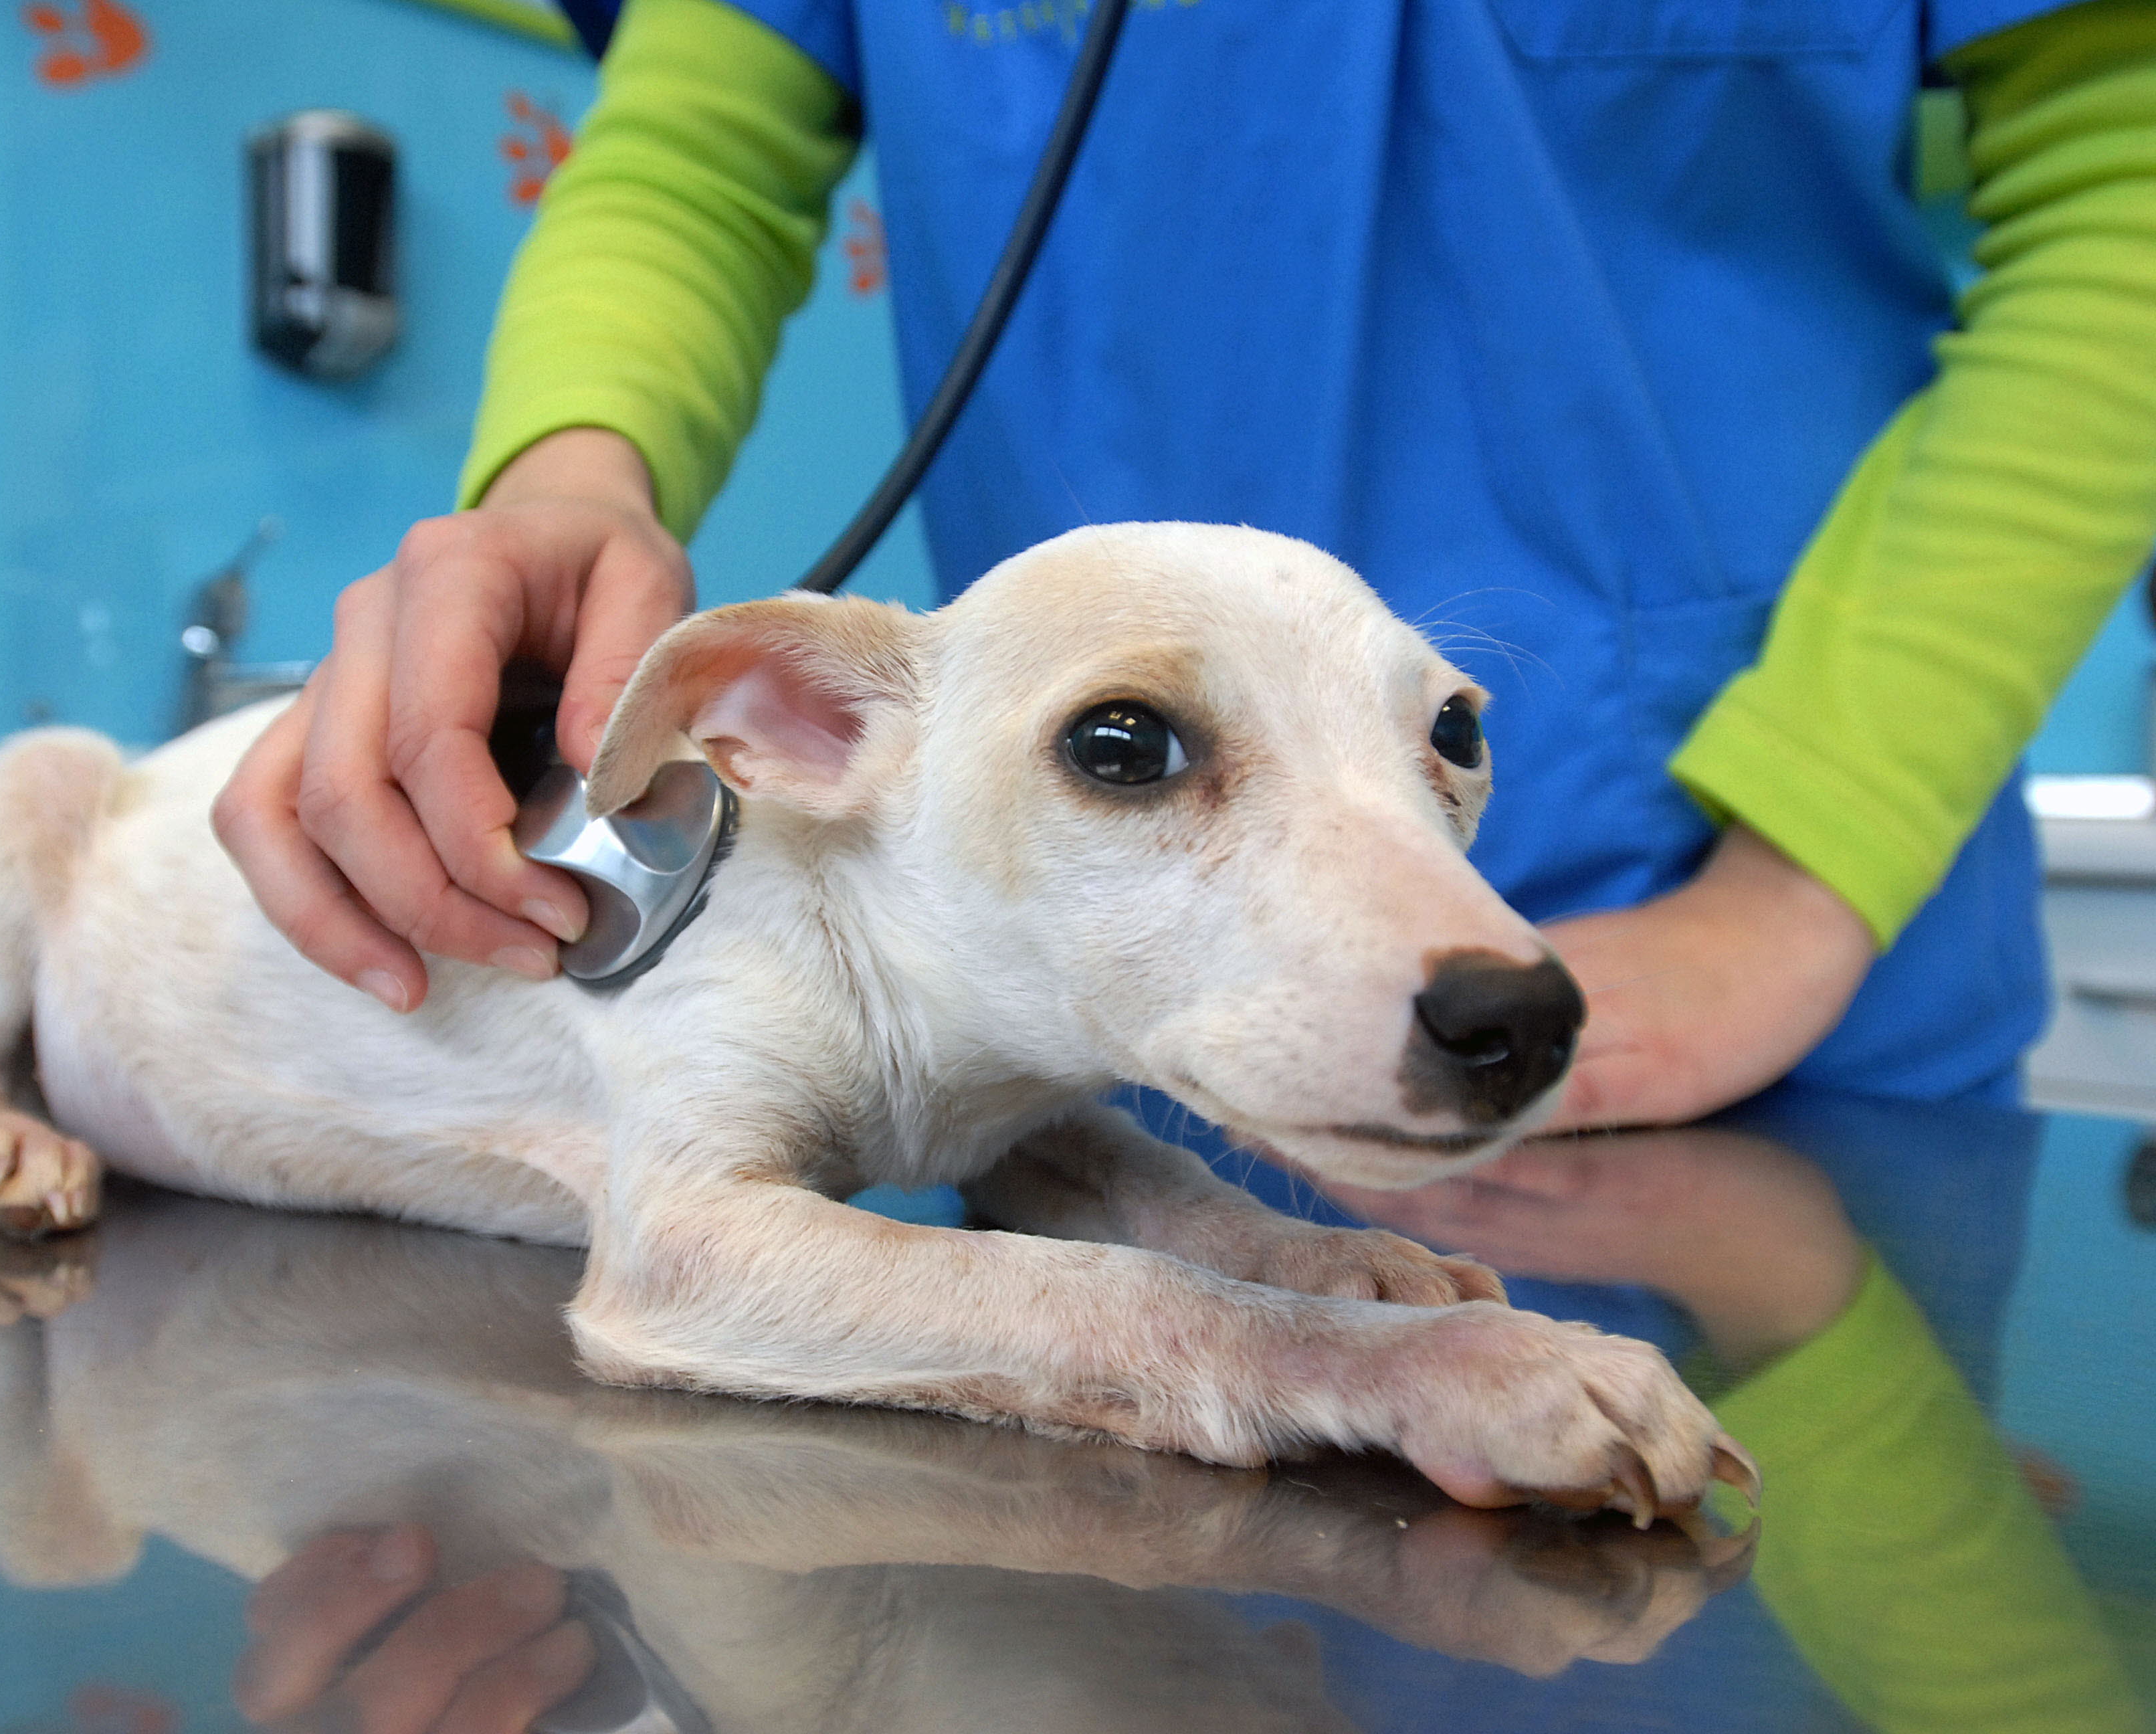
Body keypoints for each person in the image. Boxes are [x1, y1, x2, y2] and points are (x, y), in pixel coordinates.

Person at [213, 0, 2156, 1129]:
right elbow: (704, 144)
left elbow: (2126, 176)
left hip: (1777, 1010)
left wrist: (1788, 905)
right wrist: (569, 487)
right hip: (1086, 1018)